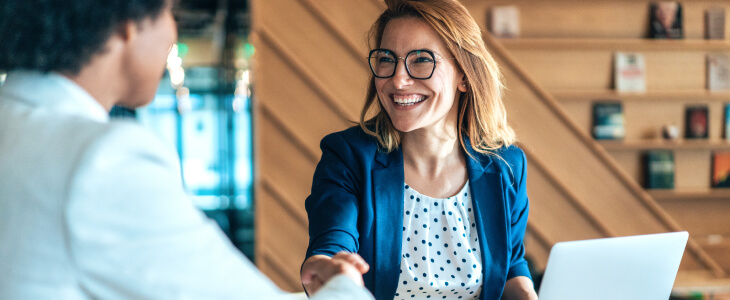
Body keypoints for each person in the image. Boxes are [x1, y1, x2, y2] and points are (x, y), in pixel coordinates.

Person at [0, 0, 372, 299]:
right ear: (126, 24)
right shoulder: (101, 161)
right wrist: (344, 285)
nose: (172, 33)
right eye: (169, 12)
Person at [300, 0, 538, 299]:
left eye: (422, 60)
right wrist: (330, 270)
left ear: (464, 75)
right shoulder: (347, 156)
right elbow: (330, 246)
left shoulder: (507, 165)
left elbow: (511, 267)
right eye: (387, 59)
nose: (398, 80)